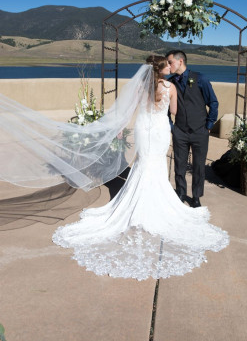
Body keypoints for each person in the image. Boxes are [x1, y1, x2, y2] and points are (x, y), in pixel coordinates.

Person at [0, 56, 228, 280]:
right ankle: (157, 201)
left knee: (142, 163)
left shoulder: (140, 88)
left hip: (143, 128)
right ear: (161, 70)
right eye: (166, 64)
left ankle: (137, 200)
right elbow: (175, 113)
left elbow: (127, 110)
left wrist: (119, 127)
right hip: (159, 129)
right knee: (156, 164)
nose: (170, 66)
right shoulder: (170, 88)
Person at [166, 50, 219, 208]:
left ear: (180, 61)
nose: (168, 66)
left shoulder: (200, 79)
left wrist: (208, 126)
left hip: (200, 131)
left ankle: (196, 197)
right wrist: (171, 127)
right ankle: (181, 192)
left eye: (170, 62)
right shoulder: (170, 83)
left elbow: (213, 103)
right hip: (180, 131)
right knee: (179, 165)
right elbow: (165, 109)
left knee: (198, 166)